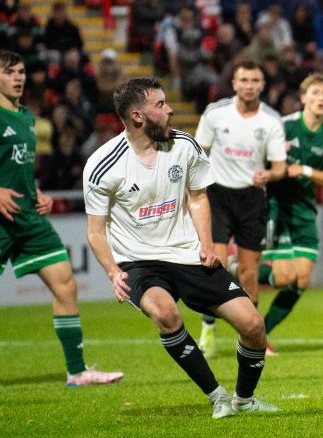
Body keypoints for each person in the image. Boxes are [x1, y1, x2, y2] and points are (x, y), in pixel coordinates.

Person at [83, 78, 275, 417]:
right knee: (166, 314)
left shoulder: (184, 144)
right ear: (138, 116)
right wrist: (113, 272)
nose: (170, 109)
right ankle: (217, 396)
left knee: (254, 326)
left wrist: (206, 244)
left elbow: (198, 197)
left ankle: (244, 399)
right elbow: (96, 232)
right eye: (160, 104)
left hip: (187, 253)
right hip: (138, 261)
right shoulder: (103, 165)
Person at [0, 51, 123, 387]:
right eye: (9, 72)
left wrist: (35, 192)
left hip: (27, 217)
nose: (18, 77)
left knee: (65, 283)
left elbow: (17, 168)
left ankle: (77, 371)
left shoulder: (26, 118)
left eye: (21, 71)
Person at [194, 62, 287, 355]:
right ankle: (208, 327)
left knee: (248, 273)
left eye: (255, 80)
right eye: (244, 79)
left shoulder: (271, 121)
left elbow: (280, 167)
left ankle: (254, 334)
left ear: (262, 85)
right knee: (216, 267)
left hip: (252, 199)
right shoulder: (215, 113)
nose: (249, 85)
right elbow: (198, 153)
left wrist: (269, 175)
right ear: (234, 83)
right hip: (218, 195)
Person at [258, 73, 323, 353]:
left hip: (305, 211)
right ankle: (237, 270)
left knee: (302, 280)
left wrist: (304, 170)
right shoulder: (283, 127)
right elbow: (258, 160)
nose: (322, 98)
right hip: (278, 207)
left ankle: (260, 332)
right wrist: (275, 159)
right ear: (303, 97)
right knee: (283, 278)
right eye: (316, 93)